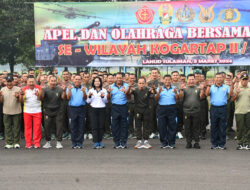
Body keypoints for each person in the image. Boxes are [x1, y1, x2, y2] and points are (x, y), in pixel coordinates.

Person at [127, 77, 155, 149]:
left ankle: (146, 140)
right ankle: (139, 140)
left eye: (143, 83)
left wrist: (154, 89)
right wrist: (129, 88)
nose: (141, 85)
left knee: (146, 125)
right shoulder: (134, 89)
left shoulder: (148, 89)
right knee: (138, 125)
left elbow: (154, 93)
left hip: (146, 110)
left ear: (145, 83)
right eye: (140, 83)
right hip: (137, 110)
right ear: (137, 83)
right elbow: (128, 95)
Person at [179, 74, 205, 149]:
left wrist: (202, 89)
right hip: (186, 111)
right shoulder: (184, 88)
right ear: (187, 80)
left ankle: (196, 142)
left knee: (196, 127)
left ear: (195, 80)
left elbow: (202, 97)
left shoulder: (198, 88)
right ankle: (188, 142)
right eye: (190, 79)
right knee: (187, 127)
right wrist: (181, 89)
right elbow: (180, 97)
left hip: (196, 111)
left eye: (192, 79)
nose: (191, 81)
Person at [206, 73, 231, 150]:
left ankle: (222, 144)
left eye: (220, 77)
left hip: (223, 108)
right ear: (215, 78)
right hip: (214, 108)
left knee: (222, 126)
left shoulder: (226, 87)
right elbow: (207, 94)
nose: (218, 79)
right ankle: (214, 144)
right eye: (217, 77)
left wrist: (232, 85)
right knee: (214, 126)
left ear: (223, 79)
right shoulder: (211, 87)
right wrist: (208, 86)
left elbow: (231, 94)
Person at [41, 76, 66, 149]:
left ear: (56, 82)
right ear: (48, 81)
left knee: (59, 126)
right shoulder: (45, 89)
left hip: (58, 110)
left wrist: (64, 91)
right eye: (51, 81)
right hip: (47, 110)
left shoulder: (60, 89)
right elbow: (41, 98)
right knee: (47, 127)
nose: (53, 82)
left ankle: (59, 142)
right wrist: (41, 90)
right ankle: (48, 142)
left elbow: (63, 98)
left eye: (54, 81)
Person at [155, 75, 179, 149]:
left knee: (172, 126)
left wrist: (176, 93)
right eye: (166, 80)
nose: (167, 81)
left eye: (169, 80)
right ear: (163, 80)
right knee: (162, 126)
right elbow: (156, 99)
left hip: (172, 108)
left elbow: (178, 99)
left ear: (171, 80)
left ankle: (171, 143)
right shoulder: (159, 88)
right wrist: (158, 92)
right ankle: (164, 143)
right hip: (162, 108)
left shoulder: (174, 89)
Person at [107, 72, 129, 149]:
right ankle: (116, 142)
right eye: (117, 78)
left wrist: (125, 92)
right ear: (115, 78)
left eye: (120, 78)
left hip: (124, 107)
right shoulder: (111, 86)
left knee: (124, 125)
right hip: (114, 107)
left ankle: (123, 142)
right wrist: (109, 92)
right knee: (115, 125)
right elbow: (108, 98)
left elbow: (129, 97)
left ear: (123, 78)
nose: (119, 79)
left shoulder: (126, 86)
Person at [0, 75, 22, 149]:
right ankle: (9, 143)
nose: (9, 83)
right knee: (7, 128)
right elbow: (1, 101)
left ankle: (16, 142)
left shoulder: (18, 89)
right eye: (8, 82)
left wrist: (18, 96)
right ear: (6, 82)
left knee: (16, 128)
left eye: (11, 81)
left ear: (13, 81)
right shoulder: (2, 89)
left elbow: (21, 101)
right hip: (6, 111)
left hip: (17, 111)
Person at [67, 75, 88, 149]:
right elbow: (68, 98)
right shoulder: (70, 88)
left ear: (81, 81)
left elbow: (85, 98)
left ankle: (80, 142)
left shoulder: (84, 88)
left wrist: (84, 92)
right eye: (76, 79)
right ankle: (74, 142)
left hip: (82, 108)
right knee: (73, 126)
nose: (77, 81)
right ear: (73, 80)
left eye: (79, 79)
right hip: (72, 109)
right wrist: (69, 90)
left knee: (81, 126)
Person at [21, 75, 43, 148]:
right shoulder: (23, 89)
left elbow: (41, 99)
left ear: (35, 81)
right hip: (27, 111)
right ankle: (28, 143)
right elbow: (21, 101)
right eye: (29, 82)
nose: (31, 83)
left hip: (37, 111)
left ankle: (37, 143)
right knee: (27, 128)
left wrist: (38, 95)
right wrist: (21, 95)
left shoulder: (39, 88)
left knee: (37, 128)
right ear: (27, 82)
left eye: (32, 81)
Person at [87, 77, 108, 149]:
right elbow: (88, 101)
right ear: (93, 82)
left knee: (101, 126)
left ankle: (100, 141)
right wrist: (89, 96)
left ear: (100, 82)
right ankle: (95, 142)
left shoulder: (104, 90)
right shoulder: (91, 90)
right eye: (95, 81)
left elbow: (106, 101)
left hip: (102, 109)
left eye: (98, 81)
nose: (97, 82)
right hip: (93, 109)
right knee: (94, 126)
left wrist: (103, 97)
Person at [231, 73, 250, 150]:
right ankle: (240, 143)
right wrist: (237, 93)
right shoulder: (237, 87)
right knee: (240, 128)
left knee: (248, 128)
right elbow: (232, 100)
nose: (244, 81)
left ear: (248, 80)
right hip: (239, 111)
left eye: (246, 79)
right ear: (241, 80)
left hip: (248, 111)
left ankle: (247, 143)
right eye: (243, 80)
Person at [147, 68, 162, 139]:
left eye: (156, 73)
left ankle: (160, 131)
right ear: (151, 74)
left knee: (159, 117)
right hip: (151, 101)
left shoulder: (161, 83)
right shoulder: (148, 83)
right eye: (153, 73)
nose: (154, 74)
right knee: (151, 116)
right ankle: (152, 131)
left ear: (158, 74)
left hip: (159, 101)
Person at [171, 71, 184, 139]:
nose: (175, 76)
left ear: (178, 76)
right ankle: (172, 131)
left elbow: (182, 95)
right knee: (171, 118)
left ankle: (179, 131)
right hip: (171, 103)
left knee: (180, 117)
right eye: (174, 75)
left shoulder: (181, 84)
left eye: (176, 75)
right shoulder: (169, 84)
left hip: (179, 103)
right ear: (171, 76)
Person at [128, 73, 137, 139]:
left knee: (137, 119)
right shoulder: (126, 85)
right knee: (130, 119)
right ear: (128, 79)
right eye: (131, 78)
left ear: (135, 79)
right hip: (129, 104)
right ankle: (131, 132)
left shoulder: (138, 85)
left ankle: (137, 133)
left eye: (133, 78)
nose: (132, 79)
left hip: (137, 104)